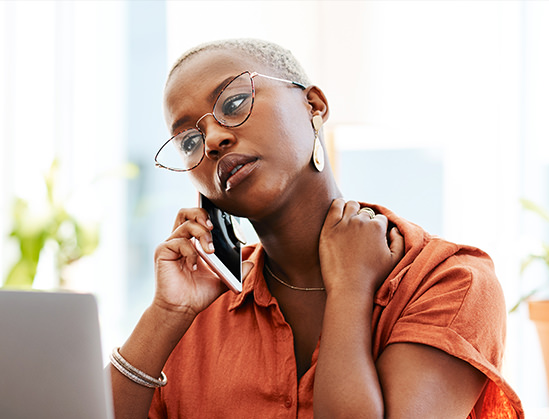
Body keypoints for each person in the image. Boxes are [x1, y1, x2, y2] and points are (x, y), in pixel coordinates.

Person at [109, 38, 524, 419]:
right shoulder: (201, 304)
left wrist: (351, 289)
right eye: (188, 141)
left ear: (314, 106)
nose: (213, 138)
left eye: (234, 103)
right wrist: (167, 314)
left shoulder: (448, 279)